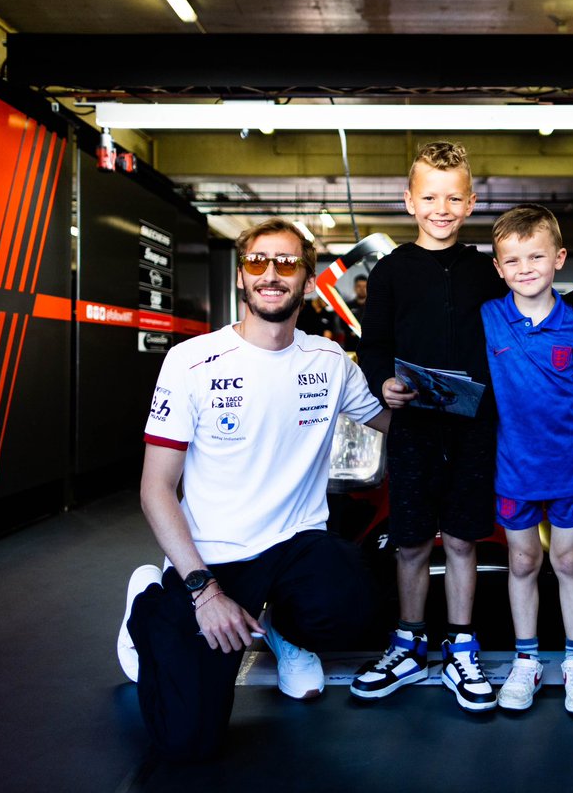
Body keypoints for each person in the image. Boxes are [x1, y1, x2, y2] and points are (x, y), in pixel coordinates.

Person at [117, 217, 390, 760]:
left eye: (287, 263)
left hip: (295, 546)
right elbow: (155, 489)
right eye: (258, 262)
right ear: (242, 277)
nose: (272, 274)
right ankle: (149, 603)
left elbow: (395, 422)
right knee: (186, 741)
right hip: (213, 559)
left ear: (307, 281)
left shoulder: (329, 362)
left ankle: (283, 625)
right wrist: (203, 591)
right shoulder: (191, 361)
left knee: (361, 602)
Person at [351, 141, 573, 712]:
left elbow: (535, 293)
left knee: (462, 540)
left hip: (476, 431)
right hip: (414, 428)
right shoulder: (388, 273)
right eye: (430, 196)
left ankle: (461, 645)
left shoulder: (484, 272)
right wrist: (384, 381)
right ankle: (409, 643)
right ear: (409, 200)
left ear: (471, 203)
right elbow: (374, 348)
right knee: (410, 541)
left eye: (454, 197)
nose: (441, 207)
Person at [481, 205, 573, 714]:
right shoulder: (487, 317)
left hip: (571, 467)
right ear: (498, 267)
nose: (525, 267)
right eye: (513, 259)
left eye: (536, 256)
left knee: (570, 560)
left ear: (559, 258)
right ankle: (525, 660)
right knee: (524, 561)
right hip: (513, 469)